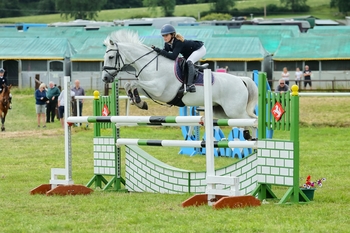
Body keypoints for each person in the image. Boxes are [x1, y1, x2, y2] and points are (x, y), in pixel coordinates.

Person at [151, 24, 206, 93]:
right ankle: (201, 68)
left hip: (199, 49)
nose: (165, 38)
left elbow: (173, 57)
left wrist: (160, 51)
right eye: (163, 36)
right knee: (183, 63)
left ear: (172, 35)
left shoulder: (178, 42)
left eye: (166, 35)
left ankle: (190, 85)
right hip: (189, 53)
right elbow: (164, 54)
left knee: (189, 62)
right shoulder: (167, 44)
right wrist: (156, 52)